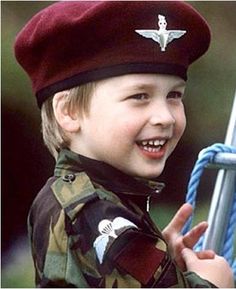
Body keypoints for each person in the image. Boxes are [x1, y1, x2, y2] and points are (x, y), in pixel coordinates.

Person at [14, 1, 234, 287]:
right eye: (139, 96)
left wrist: (157, 262)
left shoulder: (66, 195)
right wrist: (213, 284)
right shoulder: (99, 215)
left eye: (174, 96)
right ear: (69, 112)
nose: (165, 117)